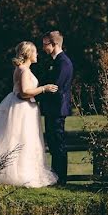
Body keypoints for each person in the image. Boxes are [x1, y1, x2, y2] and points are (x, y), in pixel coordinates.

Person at [0, 41, 58, 187]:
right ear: (28, 54)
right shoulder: (24, 70)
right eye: (35, 52)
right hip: (23, 108)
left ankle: (24, 172)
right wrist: (44, 88)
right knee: (21, 138)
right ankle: (20, 175)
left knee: (21, 138)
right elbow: (24, 92)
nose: (37, 54)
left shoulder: (22, 69)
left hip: (24, 108)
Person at [39, 31, 74, 185]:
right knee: (53, 144)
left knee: (58, 144)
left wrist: (36, 94)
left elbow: (56, 89)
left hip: (57, 109)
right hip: (52, 109)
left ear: (54, 45)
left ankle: (61, 179)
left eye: (45, 44)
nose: (43, 48)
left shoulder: (63, 63)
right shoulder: (55, 61)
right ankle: (56, 178)